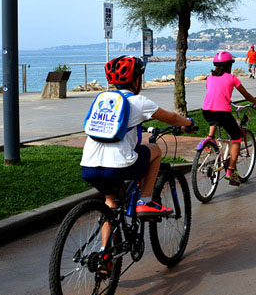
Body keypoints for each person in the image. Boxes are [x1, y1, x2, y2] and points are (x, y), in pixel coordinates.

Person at [80, 56, 197, 218]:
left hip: (89, 166)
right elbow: (173, 118)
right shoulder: (139, 102)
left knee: (110, 204)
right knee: (154, 150)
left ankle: (105, 244)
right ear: (137, 80)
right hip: (118, 166)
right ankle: (145, 201)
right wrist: (189, 123)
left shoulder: (102, 100)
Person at [201, 51, 256, 185]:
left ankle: (209, 138)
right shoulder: (232, 78)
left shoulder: (209, 78)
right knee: (236, 138)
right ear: (229, 66)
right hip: (223, 112)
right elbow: (246, 95)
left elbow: (214, 95)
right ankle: (231, 170)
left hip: (206, 111)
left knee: (214, 117)